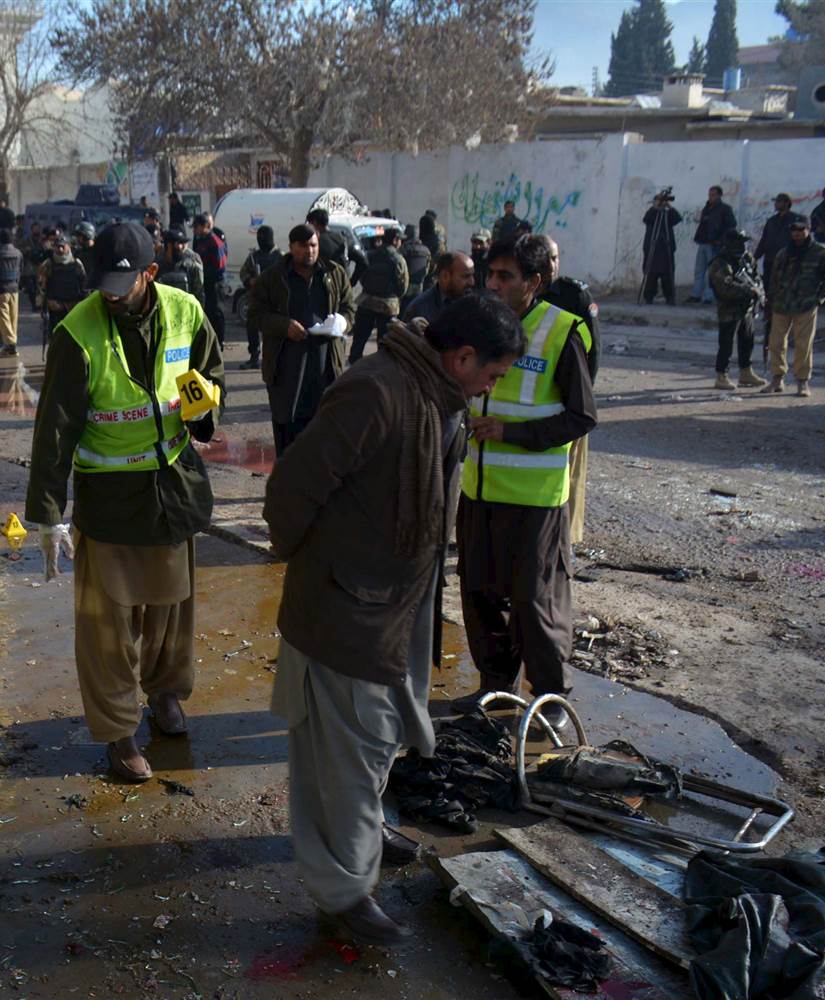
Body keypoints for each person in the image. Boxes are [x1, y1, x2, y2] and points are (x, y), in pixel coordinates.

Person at [265, 293, 523, 948]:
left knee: (373, 746)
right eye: (491, 376)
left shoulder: (439, 399)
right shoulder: (376, 393)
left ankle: (360, 846)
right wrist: (318, 573)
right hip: (346, 608)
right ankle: (345, 894)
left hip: (399, 608)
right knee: (348, 755)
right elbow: (292, 489)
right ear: (461, 357)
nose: (490, 390)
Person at [25, 222, 223, 783]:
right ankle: (117, 731)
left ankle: (165, 695)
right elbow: (54, 431)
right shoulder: (77, 334)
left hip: (172, 492)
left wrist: (205, 408)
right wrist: (47, 515)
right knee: (106, 629)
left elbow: (210, 374)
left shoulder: (186, 311)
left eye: (121, 283)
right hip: (109, 504)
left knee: (169, 614)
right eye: (103, 283)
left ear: (150, 274)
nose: (110, 294)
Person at [454, 235, 596, 732]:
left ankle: (551, 701)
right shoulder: (480, 324)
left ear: (534, 282)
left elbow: (581, 417)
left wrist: (511, 434)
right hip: (479, 492)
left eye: (505, 276)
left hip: (535, 501)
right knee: (478, 593)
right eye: (490, 274)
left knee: (536, 605)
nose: (493, 284)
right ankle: (496, 689)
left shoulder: (562, 332)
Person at [251, 223, 354, 455]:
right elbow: (255, 314)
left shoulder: (334, 273)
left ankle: (320, 489)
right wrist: (283, 326)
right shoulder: (273, 277)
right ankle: (288, 488)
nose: (309, 251)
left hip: (325, 367)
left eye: (313, 245)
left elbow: (350, 308)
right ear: (291, 247)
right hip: (286, 368)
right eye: (303, 246)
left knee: (325, 433)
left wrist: (342, 322)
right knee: (288, 435)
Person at [532, 234, 599, 548]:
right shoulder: (523, 294)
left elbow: (593, 352)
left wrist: (581, 395)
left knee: (570, 476)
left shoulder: (575, 296)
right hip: (532, 400)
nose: (553, 265)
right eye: (548, 258)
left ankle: (564, 540)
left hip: (568, 399)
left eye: (556, 258)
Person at [763, 213, 825, 398]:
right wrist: (769, 301)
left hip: (806, 305)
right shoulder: (784, 253)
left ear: (808, 230)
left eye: (800, 229)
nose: (796, 233)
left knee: (803, 344)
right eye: (793, 230)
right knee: (776, 343)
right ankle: (777, 379)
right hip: (782, 304)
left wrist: (820, 299)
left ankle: (802, 382)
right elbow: (774, 278)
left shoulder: (819, 251)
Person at [707, 229, 767, 391]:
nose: (741, 246)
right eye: (737, 242)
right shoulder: (720, 262)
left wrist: (758, 291)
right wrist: (748, 291)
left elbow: (756, 277)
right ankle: (721, 376)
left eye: (742, 242)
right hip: (729, 309)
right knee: (726, 344)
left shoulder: (746, 258)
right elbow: (724, 288)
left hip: (747, 308)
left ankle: (746, 372)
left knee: (747, 341)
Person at [349, 228, 408, 362]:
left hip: (366, 301)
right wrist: (395, 297)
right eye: (399, 239)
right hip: (388, 306)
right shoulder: (398, 259)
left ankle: (352, 369)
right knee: (384, 342)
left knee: (359, 340)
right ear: (394, 240)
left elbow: (362, 275)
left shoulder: (370, 255)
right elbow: (403, 284)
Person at [754, 194, 797, 342]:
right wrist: (755, 257)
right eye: (776, 201)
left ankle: (785, 319)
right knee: (768, 290)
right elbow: (764, 240)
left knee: (784, 290)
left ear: (786, 203)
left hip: (787, 262)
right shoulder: (772, 221)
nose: (776, 204)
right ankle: (769, 318)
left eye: (778, 201)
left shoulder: (795, 220)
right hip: (770, 261)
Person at [238, 225, 282, 370]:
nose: (261, 240)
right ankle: (254, 357)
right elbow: (243, 272)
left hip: (275, 300)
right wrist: (250, 280)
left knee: (274, 331)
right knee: (252, 329)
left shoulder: (280, 256)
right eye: (259, 237)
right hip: (256, 299)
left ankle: (276, 359)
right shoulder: (253, 256)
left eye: (263, 238)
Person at [37, 232, 88, 341]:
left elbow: (84, 285)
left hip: (73, 308)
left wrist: (81, 305)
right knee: (56, 338)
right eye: (58, 246)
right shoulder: (48, 264)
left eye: (62, 246)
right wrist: (46, 303)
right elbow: (42, 287)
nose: (60, 249)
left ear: (68, 246)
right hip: (55, 308)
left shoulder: (77, 264)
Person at [691, 186, 738, 305]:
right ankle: (695, 295)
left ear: (719, 195)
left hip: (714, 244)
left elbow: (731, 225)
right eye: (709, 195)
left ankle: (708, 296)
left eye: (713, 195)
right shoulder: (707, 208)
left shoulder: (724, 209)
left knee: (711, 273)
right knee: (699, 270)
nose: (710, 197)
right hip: (703, 242)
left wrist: (720, 240)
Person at [403, 250, 473, 325]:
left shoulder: (472, 304)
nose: (472, 282)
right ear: (445, 276)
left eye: (472, 275)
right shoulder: (419, 309)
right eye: (466, 276)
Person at [192, 213, 227, 349]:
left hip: (215, 283)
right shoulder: (200, 240)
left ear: (204, 226)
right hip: (205, 283)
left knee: (216, 313)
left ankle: (220, 341)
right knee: (208, 313)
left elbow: (220, 266)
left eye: (196, 227)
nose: (194, 230)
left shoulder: (214, 241)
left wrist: (204, 274)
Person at [640, 190, 682, 305]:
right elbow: (646, 219)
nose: (662, 203)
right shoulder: (652, 213)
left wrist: (669, 206)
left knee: (667, 274)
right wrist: (655, 207)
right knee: (651, 274)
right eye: (660, 200)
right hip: (652, 249)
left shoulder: (668, 213)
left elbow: (677, 219)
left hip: (666, 249)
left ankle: (669, 297)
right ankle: (649, 296)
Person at [0, 228, 23, 357]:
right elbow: (21, 269)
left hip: (0, 290)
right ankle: (9, 345)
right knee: (13, 319)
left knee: (3, 319)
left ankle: (10, 343)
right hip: (14, 289)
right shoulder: (18, 253)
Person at [155, 229, 204, 301]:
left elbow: (199, 293)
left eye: (184, 243)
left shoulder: (192, 261)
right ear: (169, 245)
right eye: (178, 243)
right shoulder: (157, 262)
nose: (181, 247)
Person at [399, 224, 433, 309]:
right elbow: (427, 269)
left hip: (406, 287)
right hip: (419, 286)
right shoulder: (426, 250)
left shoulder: (404, 248)